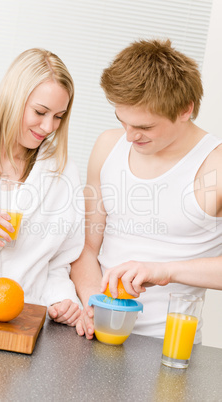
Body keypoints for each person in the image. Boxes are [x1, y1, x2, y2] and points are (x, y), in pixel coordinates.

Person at [71, 39, 222, 341]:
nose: (128, 137)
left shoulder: (214, 165)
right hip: (92, 333)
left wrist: (162, 271)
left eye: (144, 127)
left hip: (168, 349)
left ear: (185, 109)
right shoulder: (107, 146)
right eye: (122, 122)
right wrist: (92, 302)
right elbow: (85, 248)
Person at [0, 48, 84, 326]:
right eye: (40, 112)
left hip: (25, 326)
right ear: (13, 99)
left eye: (59, 116)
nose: (49, 126)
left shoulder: (62, 175)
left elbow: (59, 263)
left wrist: (63, 299)